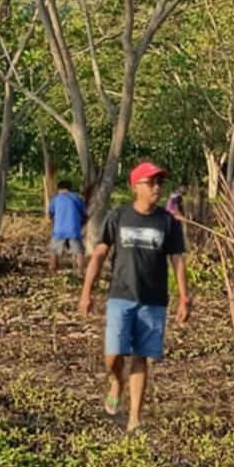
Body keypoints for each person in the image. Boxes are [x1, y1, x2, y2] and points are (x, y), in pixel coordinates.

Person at [78, 161, 189, 432]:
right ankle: (117, 381)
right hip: (120, 296)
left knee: (141, 357)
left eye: (159, 183)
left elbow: (177, 260)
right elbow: (100, 254)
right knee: (113, 355)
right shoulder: (118, 216)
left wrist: (184, 297)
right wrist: (86, 292)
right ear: (134, 186)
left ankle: (134, 418)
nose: (156, 187)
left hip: (153, 301)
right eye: (150, 182)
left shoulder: (168, 222)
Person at [48, 179, 88, 275]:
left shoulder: (55, 199)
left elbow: (50, 214)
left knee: (54, 252)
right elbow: (85, 214)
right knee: (79, 252)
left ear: (59, 189)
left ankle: (52, 271)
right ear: (70, 188)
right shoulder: (77, 198)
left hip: (58, 231)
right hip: (74, 230)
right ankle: (80, 272)